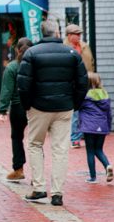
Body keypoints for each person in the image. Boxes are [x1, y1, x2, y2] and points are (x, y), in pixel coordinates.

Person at [18, 20, 88, 207]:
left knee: (35, 144)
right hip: (64, 107)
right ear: (57, 32)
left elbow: (23, 84)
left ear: (41, 32)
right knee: (60, 149)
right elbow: (83, 82)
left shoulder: (31, 53)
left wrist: (27, 106)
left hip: (38, 107)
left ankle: (39, 187)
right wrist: (75, 104)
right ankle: (57, 193)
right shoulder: (72, 53)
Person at [0, 37, 32, 182]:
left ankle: (18, 170)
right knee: (36, 141)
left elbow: (7, 89)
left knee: (17, 138)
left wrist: (3, 109)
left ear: (17, 50)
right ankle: (38, 175)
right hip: (35, 106)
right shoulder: (36, 65)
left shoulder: (12, 67)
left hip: (18, 108)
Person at [63, 24, 95, 149]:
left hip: (86, 82)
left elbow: (91, 62)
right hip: (72, 83)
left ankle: (83, 134)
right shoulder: (64, 47)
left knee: (86, 109)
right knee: (75, 111)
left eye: (80, 34)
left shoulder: (84, 46)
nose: (79, 36)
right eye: (77, 34)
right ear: (70, 35)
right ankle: (75, 138)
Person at [79, 72, 113, 184]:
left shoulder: (84, 95)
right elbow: (109, 113)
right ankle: (107, 165)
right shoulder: (104, 94)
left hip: (89, 127)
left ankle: (93, 178)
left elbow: (76, 107)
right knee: (99, 149)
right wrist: (108, 126)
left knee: (90, 151)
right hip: (102, 126)